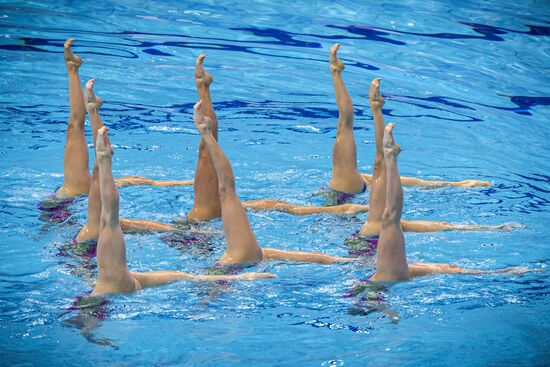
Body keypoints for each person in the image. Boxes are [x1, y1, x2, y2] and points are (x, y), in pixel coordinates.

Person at [91, 126, 276, 296]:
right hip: (220, 265)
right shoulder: (128, 280)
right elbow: (187, 277)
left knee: (109, 219)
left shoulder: (119, 281)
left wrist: (103, 160)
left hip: (111, 296)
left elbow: (110, 214)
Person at [193, 100, 357, 265]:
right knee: (229, 192)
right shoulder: (245, 253)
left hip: (239, 259)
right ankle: (206, 132)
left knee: (228, 192)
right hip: (242, 258)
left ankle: (206, 132)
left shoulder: (240, 254)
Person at [359, 76, 521, 237]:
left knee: (382, 178)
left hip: (369, 240)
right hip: (370, 244)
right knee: (388, 214)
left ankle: (377, 115)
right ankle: (380, 123)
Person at [371, 124, 533, 281]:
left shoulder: (382, 275)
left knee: (390, 218)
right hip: (384, 279)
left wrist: (497, 272)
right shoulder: (385, 273)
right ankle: (390, 158)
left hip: (382, 280)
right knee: (390, 217)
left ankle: (390, 158)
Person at [328, 43, 490, 198]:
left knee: (350, 130)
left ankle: (368, 101)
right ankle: (367, 100)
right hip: (350, 192)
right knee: (349, 130)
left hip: (346, 193)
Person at [75, 79, 210, 243]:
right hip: (93, 244)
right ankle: (93, 113)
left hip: (92, 245)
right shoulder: (97, 228)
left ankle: (93, 113)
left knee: (106, 187)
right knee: (102, 185)